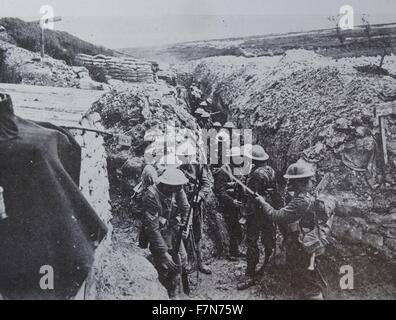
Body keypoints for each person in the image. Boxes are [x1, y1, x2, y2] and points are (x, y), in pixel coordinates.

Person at [254, 161, 325, 300]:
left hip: (301, 245)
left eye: (291, 181)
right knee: (302, 278)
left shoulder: (300, 201)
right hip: (307, 241)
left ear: (298, 183)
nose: (289, 184)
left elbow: (276, 216)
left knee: (309, 284)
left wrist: (263, 203)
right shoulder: (309, 195)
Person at [238, 144, 282, 290]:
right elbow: (276, 192)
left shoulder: (256, 175)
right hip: (269, 210)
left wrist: (244, 213)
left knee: (252, 241)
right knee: (268, 238)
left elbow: (251, 196)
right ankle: (267, 266)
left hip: (256, 213)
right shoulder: (271, 171)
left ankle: (250, 273)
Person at [142, 168, 190, 298]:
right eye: (176, 187)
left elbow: (185, 208)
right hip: (158, 231)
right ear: (167, 185)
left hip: (172, 228)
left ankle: (179, 291)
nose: (180, 189)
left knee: (182, 258)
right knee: (165, 264)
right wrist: (163, 252)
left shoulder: (177, 188)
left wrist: (186, 226)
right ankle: (168, 293)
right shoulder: (151, 195)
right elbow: (152, 229)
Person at [176, 140, 212, 274]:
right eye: (182, 156)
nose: (184, 159)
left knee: (197, 234)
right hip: (182, 207)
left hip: (196, 206)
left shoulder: (200, 167)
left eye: (187, 156)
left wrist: (199, 196)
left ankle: (200, 262)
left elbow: (206, 185)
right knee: (184, 232)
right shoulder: (176, 169)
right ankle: (187, 262)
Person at [214, 146, 246, 260]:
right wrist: (232, 201)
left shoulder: (237, 170)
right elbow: (219, 191)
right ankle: (229, 253)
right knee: (229, 229)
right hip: (226, 206)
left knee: (237, 228)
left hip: (236, 205)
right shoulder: (223, 171)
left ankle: (235, 250)